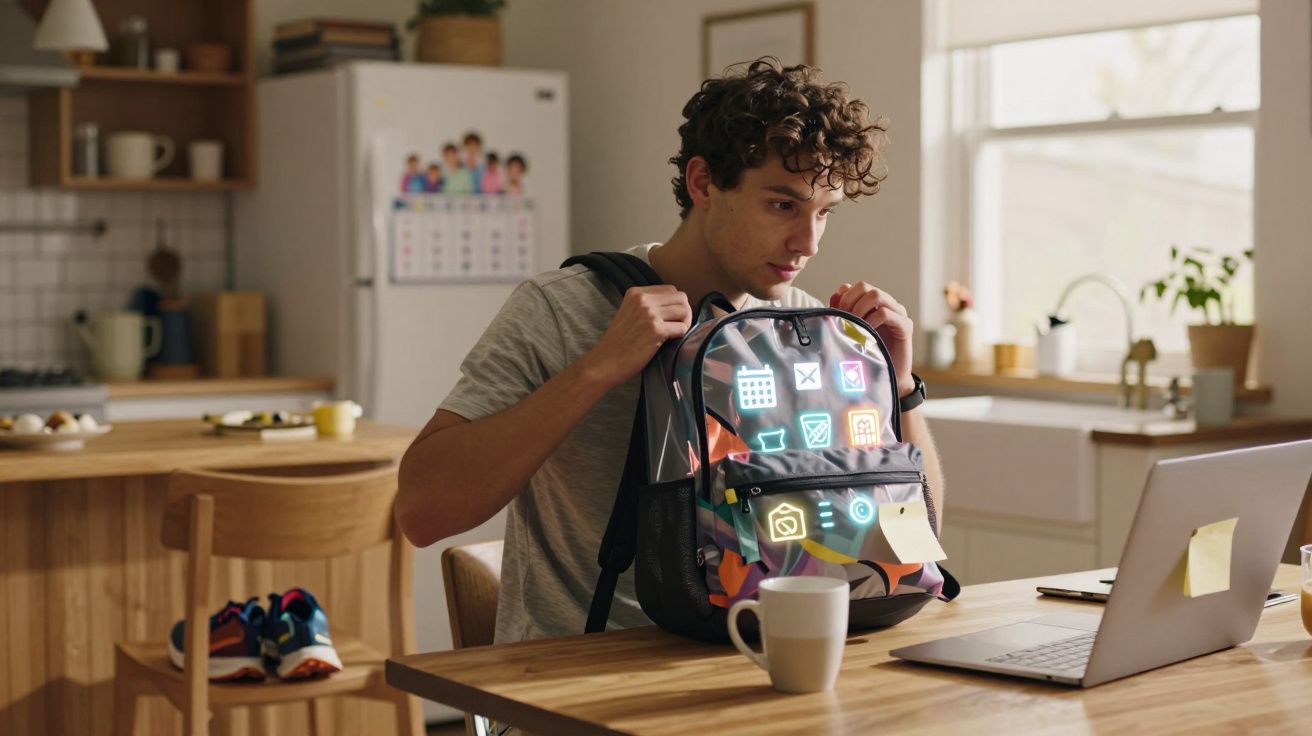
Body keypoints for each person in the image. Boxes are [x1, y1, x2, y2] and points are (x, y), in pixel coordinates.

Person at [396, 58, 946, 645]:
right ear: (704, 183)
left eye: (824, 213)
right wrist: (596, 371)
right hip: (579, 679)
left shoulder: (811, 331)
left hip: (764, 661)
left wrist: (900, 384)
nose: (807, 242)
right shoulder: (562, 309)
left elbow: (919, 538)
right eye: (783, 205)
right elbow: (423, 514)